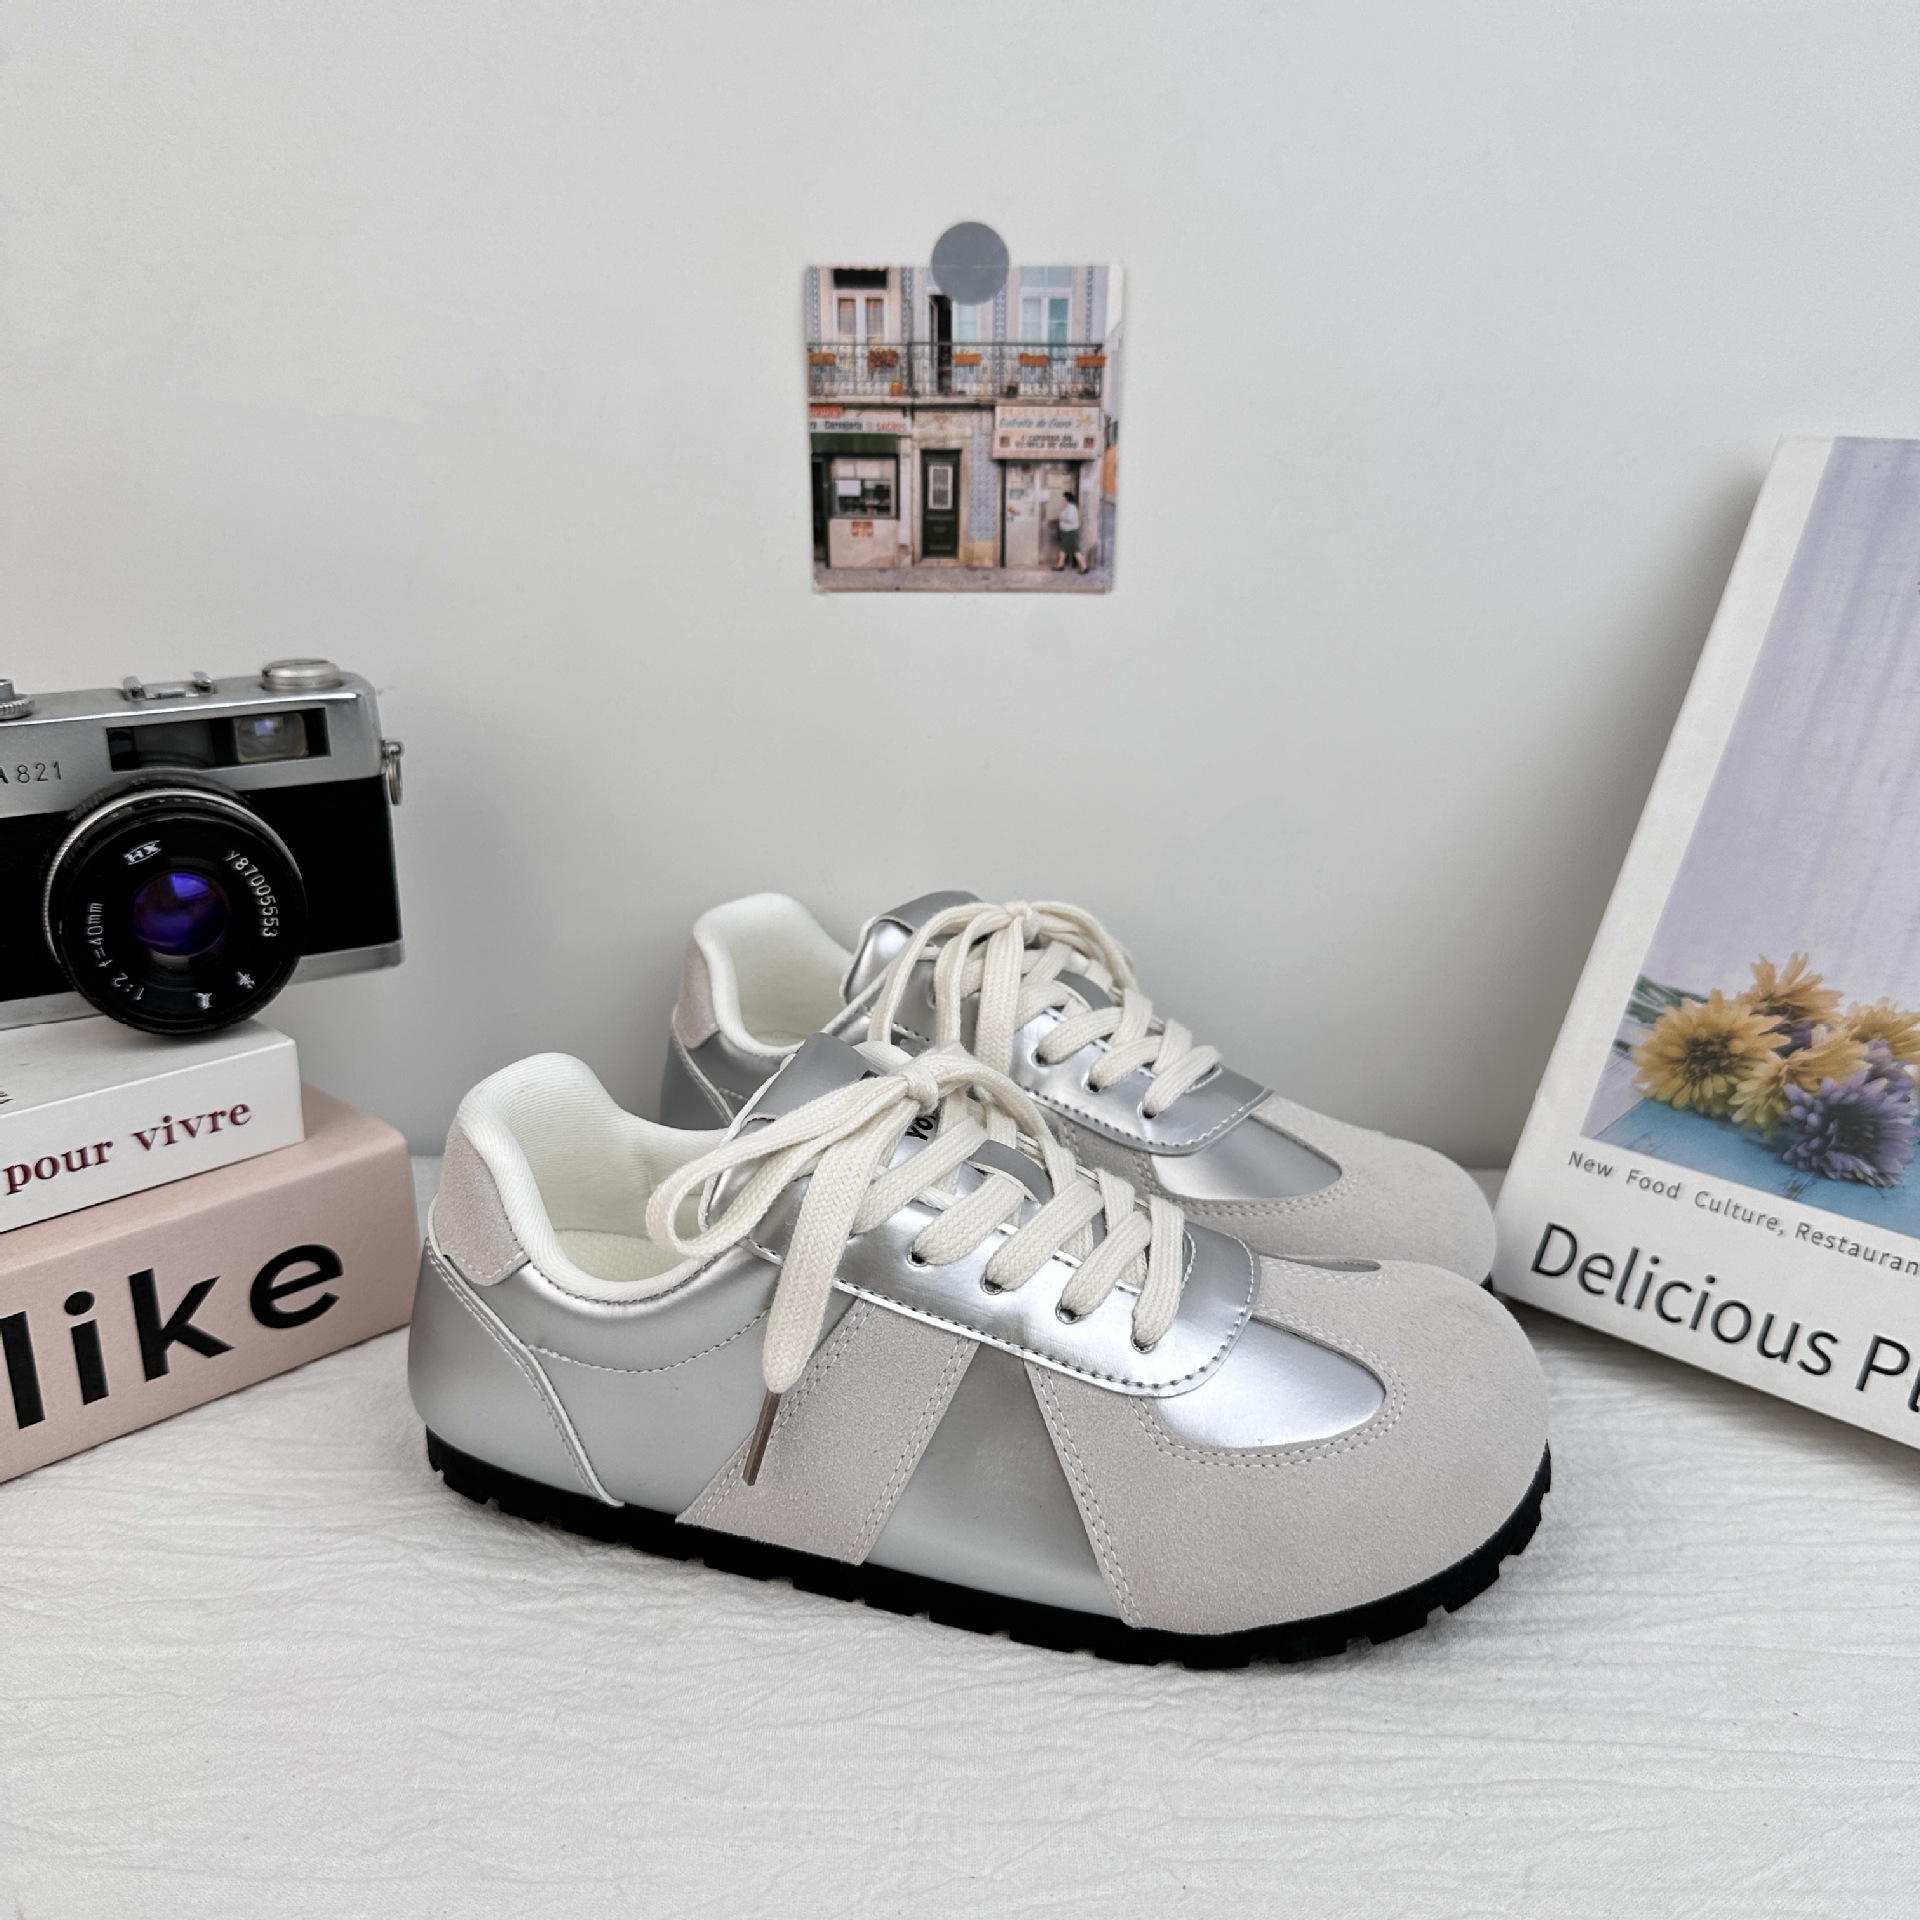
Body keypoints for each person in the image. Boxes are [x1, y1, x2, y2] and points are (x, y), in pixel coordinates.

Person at [1054, 491, 1087, 573]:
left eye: (1063, 498)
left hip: (1070, 533)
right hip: (1067, 533)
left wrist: (1061, 517)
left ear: (1066, 499)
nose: (1062, 500)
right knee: (1063, 549)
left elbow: (1070, 519)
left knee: (1075, 551)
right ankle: (1060, 565)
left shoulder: (1071, 508)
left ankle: (1084, 567)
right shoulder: (1068, 507)